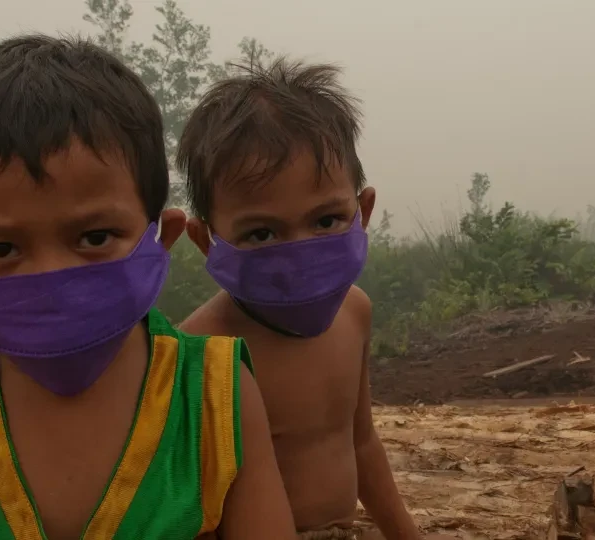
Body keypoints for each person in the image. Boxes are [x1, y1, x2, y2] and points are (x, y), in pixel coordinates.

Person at [0, 35, 297, 540]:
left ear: (162, 238)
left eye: (94, 237)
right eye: (0, 249)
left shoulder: (218, 399)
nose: (49, 277)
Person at [175, 58, 437, 540]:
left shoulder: (354, 312)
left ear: (363, 210)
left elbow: (360, 442)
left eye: (325, 221)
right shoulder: (199, 352)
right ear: (205, 240)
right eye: (261, 232)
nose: (297, 253)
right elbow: (192, 505)